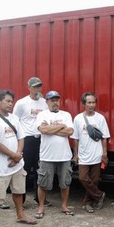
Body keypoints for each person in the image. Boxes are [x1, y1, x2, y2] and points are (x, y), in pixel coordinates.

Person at [0, 89, 38, 227]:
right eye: (7, 101)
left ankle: (20, 214)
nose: (10, 104)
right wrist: (13, 155)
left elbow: (21, 137)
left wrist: (18, 155)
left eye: (11, 101)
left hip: (16, 164)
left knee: (18, 191)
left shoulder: (14, 118)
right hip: (0, 165)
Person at [35, 90, 74, 218]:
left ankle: (64, 205)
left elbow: (69, 132)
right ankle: (41, 206)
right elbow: (43, 130)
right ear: (47, 102)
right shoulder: (42, 115)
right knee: (43, 183)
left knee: (65, 182)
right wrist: (61, 126)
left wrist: (51, 129)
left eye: (57, 100)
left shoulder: (66, 115)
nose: (55, 102)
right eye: (52, 100)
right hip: (47, 156)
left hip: (64, 156)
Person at [13, 77, 50, 206]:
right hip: (27, 139)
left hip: (41, 139)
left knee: (41, 169)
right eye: (34, 87)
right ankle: (21, 200)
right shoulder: (22, 103)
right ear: (29, 87)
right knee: (25, 170)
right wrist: (17, 142)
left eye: (39, 86)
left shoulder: (45, 103)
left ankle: (39, 198)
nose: (37, 89)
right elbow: (15, 122)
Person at [71, 92, 110, 213]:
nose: (92, 105)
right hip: (83, 155)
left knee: (94, 181)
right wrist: (75, 154)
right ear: (84, 103)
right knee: (83, 178)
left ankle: (88, 203)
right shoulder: (78, 118)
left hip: (97, 155)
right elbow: (75, 138)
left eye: (93, 102)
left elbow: (104, 137)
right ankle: (99, 195)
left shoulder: (100, 118)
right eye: (89, 102)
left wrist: (104, 153)